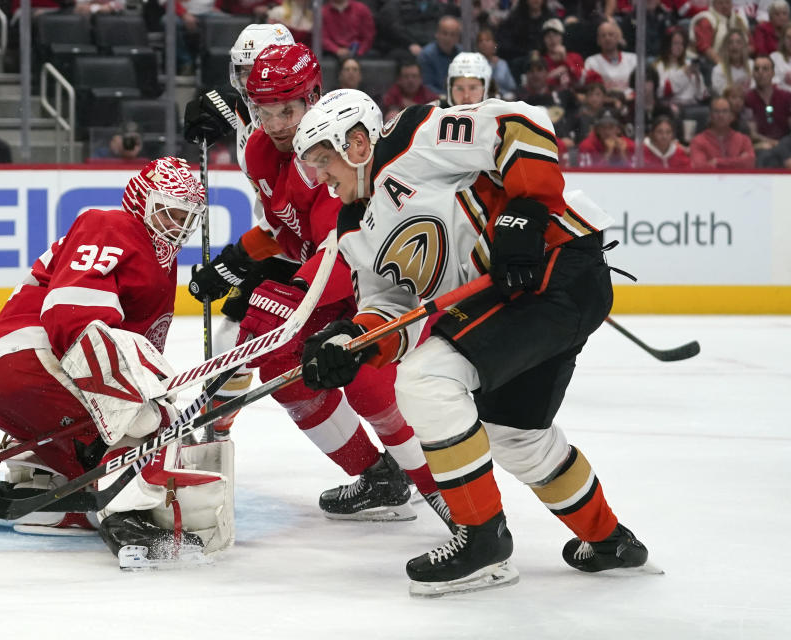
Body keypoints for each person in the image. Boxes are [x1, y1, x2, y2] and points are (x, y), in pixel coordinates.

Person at [293, 88, 650, 597]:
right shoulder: (353, 227)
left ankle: (483, 542)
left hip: (557, 266)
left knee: (426, 381)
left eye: (323, 161)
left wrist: (524, 210)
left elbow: (517, 124)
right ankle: (612, 541)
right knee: (516, 437)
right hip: (510, 301)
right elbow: (394, 310)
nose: (320, 178)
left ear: (355, 143)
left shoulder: (410, 137)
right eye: (312, 168)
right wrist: (352, 341)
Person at [187, 44, 451, 526]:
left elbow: (341, 246)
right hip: (332, 273)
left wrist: (287, 299)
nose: (276, 123)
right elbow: (286, 232)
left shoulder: (332, 151)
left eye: (287, 110)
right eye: (264, 111)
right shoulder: (259, 150)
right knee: (280, 363)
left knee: (368, 384)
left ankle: (448, 495)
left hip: (379, 278)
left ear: (313, 96)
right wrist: (237, 261)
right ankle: (378, 478)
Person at [0, 157, 234, 567]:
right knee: (150, 426)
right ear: (143, 202)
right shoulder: (112, 225)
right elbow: (71, 315)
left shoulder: (163, 263)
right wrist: (141, 411)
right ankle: (127, 517)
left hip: (18, 382)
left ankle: (55, 496)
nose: (180, 223)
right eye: (171, 210)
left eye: (189, 215)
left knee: (142, 432)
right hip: (32, 361)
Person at [183, 23, 296, 434]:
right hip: (281, 246)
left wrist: (234, 262)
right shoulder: (257, 108)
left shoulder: (297, 126)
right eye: (243, 72)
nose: (251, 83)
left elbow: (291, 220)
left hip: (313, 252)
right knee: (232, 339)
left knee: (298, 365)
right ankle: (215, 431)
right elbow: (241, 107)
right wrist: (212, 104)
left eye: (260, 70)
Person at [745, 55, 791, 157]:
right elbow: (752, 133)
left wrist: (782, 144)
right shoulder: (748, 98)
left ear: (773, 73)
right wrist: (771, 142)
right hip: (762, 147)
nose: (760, 72)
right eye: (756, 69)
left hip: (787, 146)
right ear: (753, 73)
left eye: (765, 69)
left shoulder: (786, 97)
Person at [690, 95, 756, 167]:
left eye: (725, 111)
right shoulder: (698, 141)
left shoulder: (744, 140)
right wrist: (738, 161)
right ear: (710, 116)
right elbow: (699, 167)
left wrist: (718, 162)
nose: (720, 115)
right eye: (716, 111)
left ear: (732, 116)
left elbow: (749, 162)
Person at [655, 27, 709, 107]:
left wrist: (697, 76)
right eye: (676, 43)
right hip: (672, 107)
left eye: (682, 44)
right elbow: (661, 92)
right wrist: (684, 74)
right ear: (667, 44)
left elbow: (702, 96)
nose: (679, 47)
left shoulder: (689, 64)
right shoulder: (659, 66)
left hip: (693, 106)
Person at [583, 20, 638, 98]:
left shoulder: (633, 59)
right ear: (598, 40)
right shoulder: (591, 62)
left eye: (611, 34)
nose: (607, 38)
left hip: (631, 102)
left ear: (618, 37)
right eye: (603, 35)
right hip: (605, 105)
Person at [417, 15, 463, 96]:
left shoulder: (462, 53)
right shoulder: (426, 55)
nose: (448, 38)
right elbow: (427, 86)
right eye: (444, 33)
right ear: (437, 34)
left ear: (457, 38)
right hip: (436, 100)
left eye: (452, 34)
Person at [540, 18, 584, 90]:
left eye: (555, 35)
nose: (552, 39)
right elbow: (538, 85)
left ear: (562, 37)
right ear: (543, 40)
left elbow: (581, 79)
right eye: (548, 36)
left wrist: (565, 59)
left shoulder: (576, 57)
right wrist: (553, 75)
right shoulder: (541, 61)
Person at [476, 25, 517, 99]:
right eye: (480, 41)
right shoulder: (474, 63)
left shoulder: (502, 64)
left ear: (494, 44)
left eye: (487, 40)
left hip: (502, 99)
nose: (484, 43)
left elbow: (511, 86)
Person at [711, 28, 754, 95]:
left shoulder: (753, 65)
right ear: (726, 47)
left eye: (738, 42)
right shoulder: (718, 70)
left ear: (744, 46)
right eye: (730, 42)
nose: (734, 46)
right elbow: (721, 93)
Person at [772, 22, 791, 90]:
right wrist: (783, 79)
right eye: (788, 37)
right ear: (783, 39)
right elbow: (768, 83)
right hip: (780, 97)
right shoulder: (774, 57)